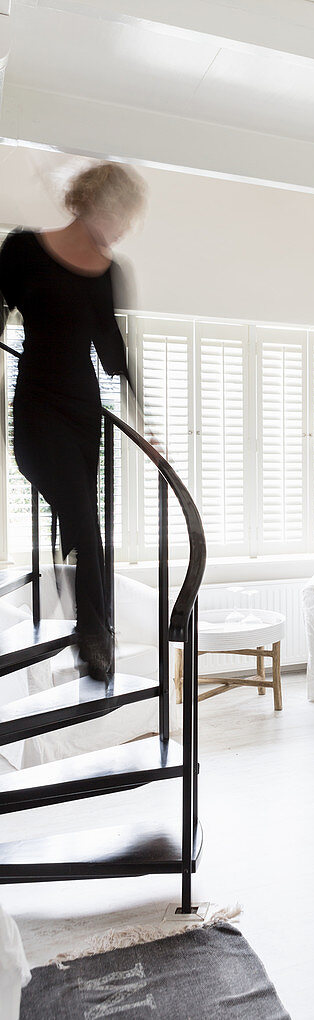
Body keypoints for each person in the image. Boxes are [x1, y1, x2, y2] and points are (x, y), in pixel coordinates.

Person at [0, 161, 147, 681]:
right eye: (121, 215)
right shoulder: (22, 250)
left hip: (84, 413)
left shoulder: (109, 273)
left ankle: (94, 630)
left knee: (88, 525)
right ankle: (94, 637)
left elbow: (111, 348)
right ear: (95, 203)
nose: (123, 228)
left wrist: (141, 413)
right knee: (84, 523)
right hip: (37, 408)